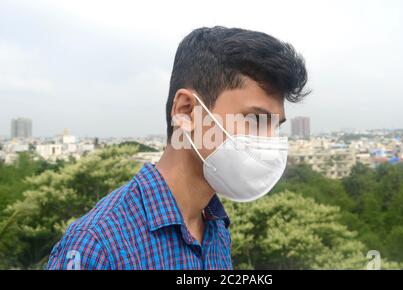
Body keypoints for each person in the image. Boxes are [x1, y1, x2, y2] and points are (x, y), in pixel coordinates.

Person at [46, 26, 308, 270]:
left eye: (276, 127)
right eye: (255, 120)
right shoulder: (97, 246)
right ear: (186, 110)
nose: (269, 141)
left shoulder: (215, 226)